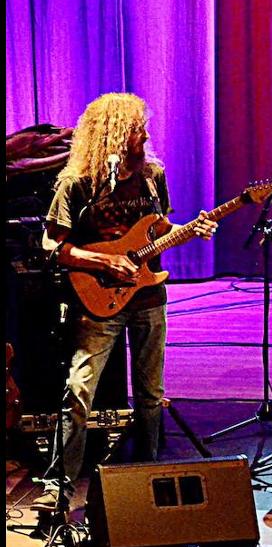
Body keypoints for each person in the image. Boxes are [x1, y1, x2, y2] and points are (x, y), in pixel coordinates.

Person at [33, 93, 215, 510]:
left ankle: (148, 477)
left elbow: (161, 228)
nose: (146, 136)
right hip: (98, 300)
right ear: (114, 135)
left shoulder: (152, 176)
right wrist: (104, 261)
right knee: (78, 390)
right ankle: (59, 486)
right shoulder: (76, 184)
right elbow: (50, 245)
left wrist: (193, 229)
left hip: (148, 296)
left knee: (151, 393)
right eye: (137, 129)